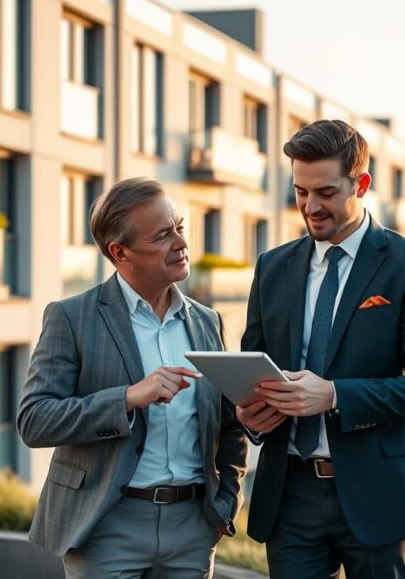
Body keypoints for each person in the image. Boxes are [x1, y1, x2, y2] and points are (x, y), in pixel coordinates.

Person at [236, 119, 405, 578]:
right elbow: (253, 368)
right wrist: (249, 415)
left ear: (362, 184)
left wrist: (334, 395)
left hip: (378, 493)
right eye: (301, 191)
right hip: (288, 494)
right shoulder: (272, 267)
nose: (311, 207)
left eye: (326, 193)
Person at [17, 177, 248, 578]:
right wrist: (127, 398)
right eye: (162, 236)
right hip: (106, 527)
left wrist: (225, 504)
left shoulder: (207, 321)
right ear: (120, 252)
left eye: (179, 227)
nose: (181, 243)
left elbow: (230, 426)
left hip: (192, 531)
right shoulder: (71, 318)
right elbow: (34, 420)